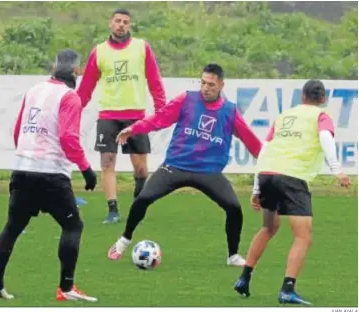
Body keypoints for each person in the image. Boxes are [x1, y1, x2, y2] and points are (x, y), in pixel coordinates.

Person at [107, 63, 263, 266]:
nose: (206, 88)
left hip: (208, 171)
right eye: (203, 83)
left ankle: (233, 256)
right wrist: (134, 128)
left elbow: (252, 142)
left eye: (211, 85)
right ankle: (124, 239)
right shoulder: (187, 99)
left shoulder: (230, 111)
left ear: (222, 85)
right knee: (143, 197)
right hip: (176, 165)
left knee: (234, 207)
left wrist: (271, 161)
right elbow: (159, 119)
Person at [0, 49, 98, 302]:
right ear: (76, 71)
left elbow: (18, 131)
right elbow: (68, 137)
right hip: (51, 174)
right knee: (72, 225)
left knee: (12, 227)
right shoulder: (71, 97)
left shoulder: (34, 90)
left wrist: (25, 157)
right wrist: (86, 168)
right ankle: (66, 287)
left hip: (23, 170)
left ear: (54, 66)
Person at [233, 79, 351, 305]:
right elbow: (326, 137)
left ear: (302, 97)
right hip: (292, 178)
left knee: (268, 227)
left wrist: (257, 187)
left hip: (267, 174)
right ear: (323, 99)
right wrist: (337, 170)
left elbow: (266, 149)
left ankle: (244, 277)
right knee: (303, 236)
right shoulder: (321, 117)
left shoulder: (283, 117)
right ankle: (288, 288)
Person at [77, 8, 167, 224]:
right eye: (118, 21)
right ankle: (113, 210)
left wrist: (161, 110)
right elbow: (86, 88)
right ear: (110, 24)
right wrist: (72, 110)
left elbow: (155, 81)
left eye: (125, 22)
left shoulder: (141, 48)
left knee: (141, 168)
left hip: (136, 116)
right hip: (108, 115)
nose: (121, 25)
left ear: (130, 26)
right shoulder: (99, 52)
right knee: (107, 163)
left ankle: (138, 201)